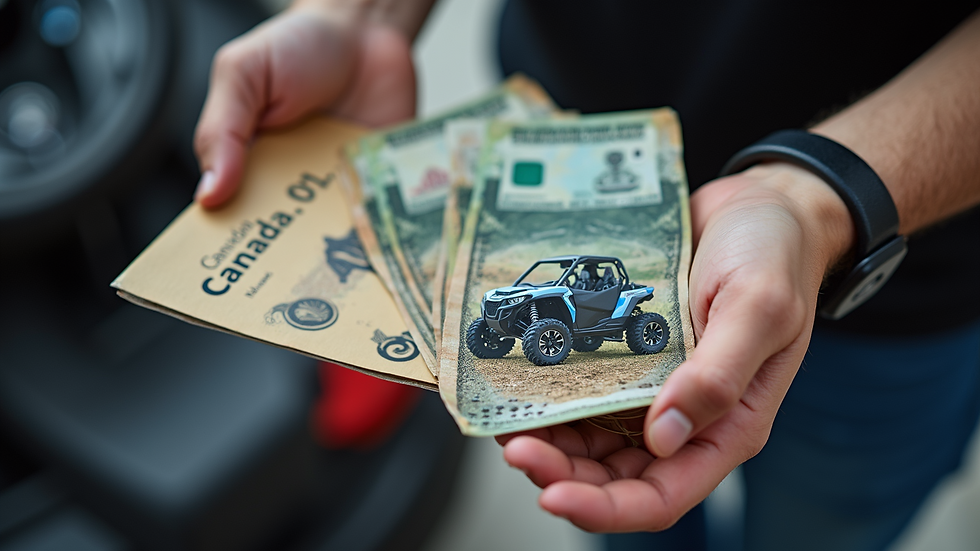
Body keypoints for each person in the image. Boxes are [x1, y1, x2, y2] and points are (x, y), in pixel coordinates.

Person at [191, 1, 980, 549]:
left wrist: (819, 198)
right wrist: (357, 16)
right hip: (564, 112)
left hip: (892, 275)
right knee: (618, 512)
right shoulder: (529, 294)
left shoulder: (601, 297)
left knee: (822, 529)